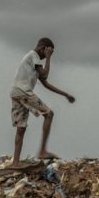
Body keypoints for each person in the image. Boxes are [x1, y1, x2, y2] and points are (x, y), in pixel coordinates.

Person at [9, 37, 75, 167]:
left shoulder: (33, 61)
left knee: (21, 128)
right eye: (47, 53)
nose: (45, 58)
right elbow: (44, 75)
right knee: (49, 114)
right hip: (23, 92)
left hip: (16, 92)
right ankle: (42, 151)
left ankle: (15, 162)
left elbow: (45, 83)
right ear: (43, 48)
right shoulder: (34, 56)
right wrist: (49, 57)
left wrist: (65, 94)